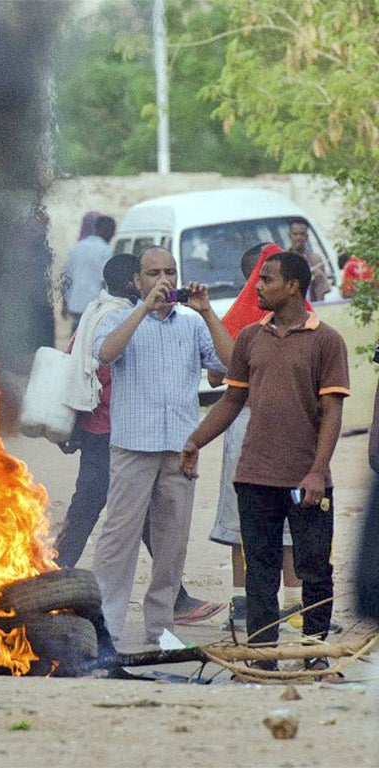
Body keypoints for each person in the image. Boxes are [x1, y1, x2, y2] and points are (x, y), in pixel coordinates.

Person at [181, 250, 350, 677]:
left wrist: (317, 470)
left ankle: (314, 651)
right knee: (260, 572)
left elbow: (332, 412)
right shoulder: (251, 340)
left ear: (292, 285)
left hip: (305, 480)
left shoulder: (326, 340)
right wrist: (196, 441)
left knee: (314, 570)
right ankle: (261, 658)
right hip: (254, 476)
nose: (257, 286)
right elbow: (233, 400)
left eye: (266, 279)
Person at [57, 253, 221, 624]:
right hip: (127, 445)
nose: (163, 279)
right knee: (118, 536)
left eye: (170, 272)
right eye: (154, 273)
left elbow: (227, 364)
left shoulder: (192, 323)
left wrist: (208, 312)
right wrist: (143, 310)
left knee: (171, 542)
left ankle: (161, 624)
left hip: (180, 449)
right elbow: (105, 352)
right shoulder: (116, 317)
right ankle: (107, 626)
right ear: (137, 280)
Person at [209, 243, 307, 632]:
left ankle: (277, 603)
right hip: (250, 424)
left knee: (284, 515)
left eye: (266, 278)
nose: (258, 286)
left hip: (284, 426)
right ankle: (265, 603)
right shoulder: (245, 324)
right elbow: (225, 375)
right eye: (258, 278)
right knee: (247, 513)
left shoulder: (302, 323)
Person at [62, 214, 116, 332]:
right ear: (105, 231)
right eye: (112, 231)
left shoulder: (76, 248)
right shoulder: (105, 250)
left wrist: (64, 304)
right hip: (94, 305)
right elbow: (105, 281)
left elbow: (66, 278)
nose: (113, 235)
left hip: (75, 304)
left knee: (75, 337)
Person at [288, 216, 332, 301]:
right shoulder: (283, 260)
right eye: (295, 234)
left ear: (307, 237)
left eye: (302, 234)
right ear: (289, 236)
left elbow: (321, 288)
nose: (298, 238)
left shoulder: (316, 260)